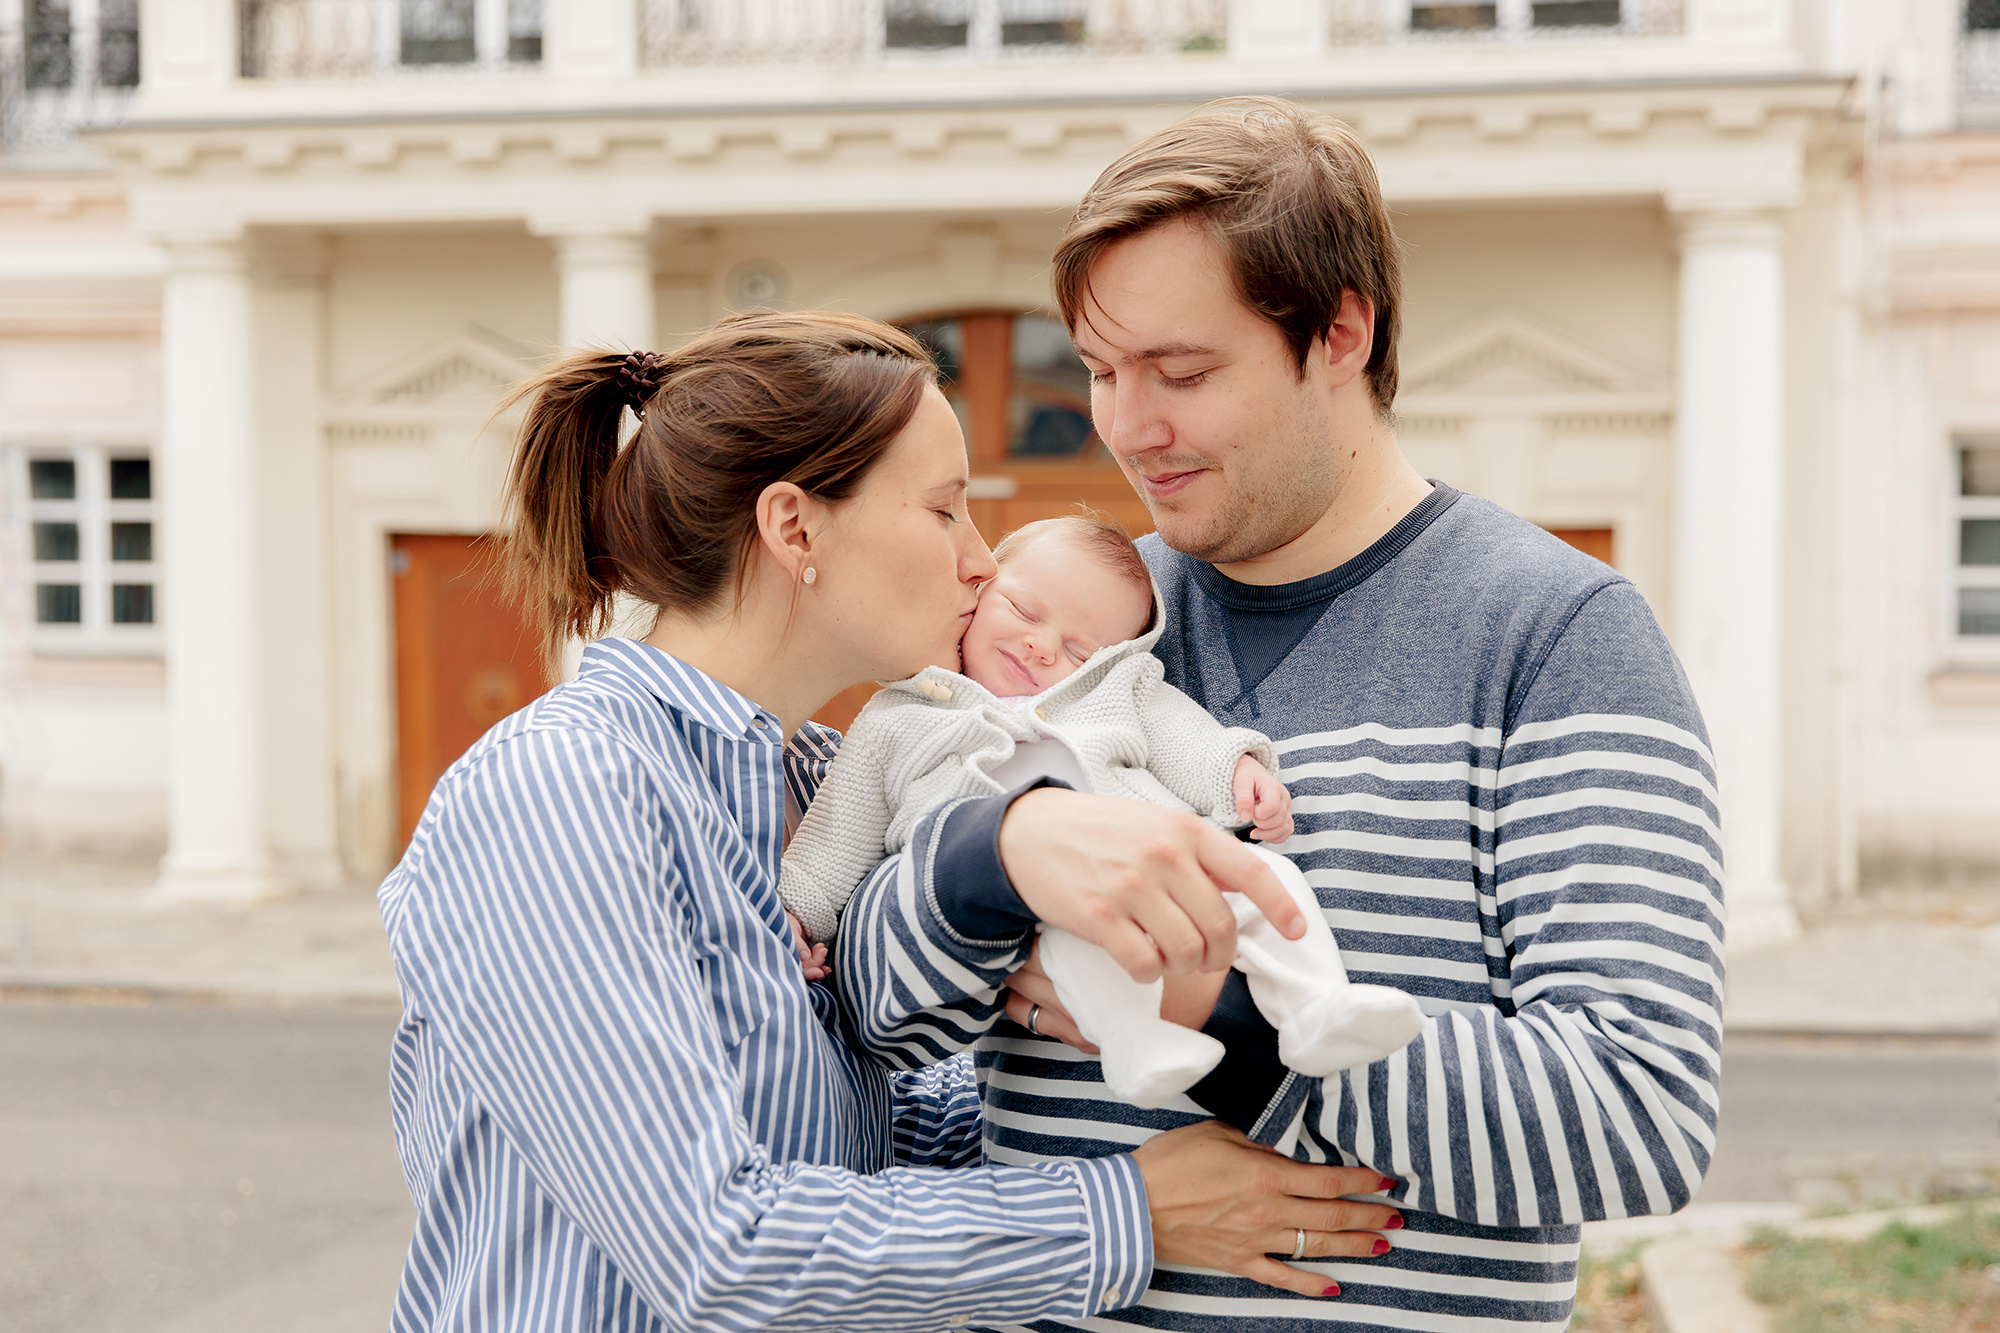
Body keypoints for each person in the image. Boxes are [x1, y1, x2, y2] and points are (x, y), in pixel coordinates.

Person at [836, 98, 1726, 1331]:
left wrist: (1225, 1022)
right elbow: (872, 1021)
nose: (1125, 427)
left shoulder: (1555, 637)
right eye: (1097, 371)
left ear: (1339, 333)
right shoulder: (1072, 617)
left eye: (1182, 372)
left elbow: (1636, 1122)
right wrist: (996, 856)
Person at [374, 310, 1409, 1331]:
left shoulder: (822, 783)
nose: (981, 562)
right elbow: (715, 1247)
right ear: (793, 527)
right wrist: (1135, 1207)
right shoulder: (562, 789)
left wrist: (1114, 1052)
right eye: (945, 509)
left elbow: (872, 1136)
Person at [777, 512, 1424, 1108]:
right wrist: (796, 915)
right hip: (1039, 905)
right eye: (1023, 609)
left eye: (1080, 650)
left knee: (1270, 879)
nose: (1040, 646)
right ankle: (1132, 1039)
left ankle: (1316, 1003)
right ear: (976, 596)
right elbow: (839, 828)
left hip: (1169, 857)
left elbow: (1182, 735)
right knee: (1076, 951)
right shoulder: (897, 716)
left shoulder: (1116, 690)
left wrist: (1238, 772)